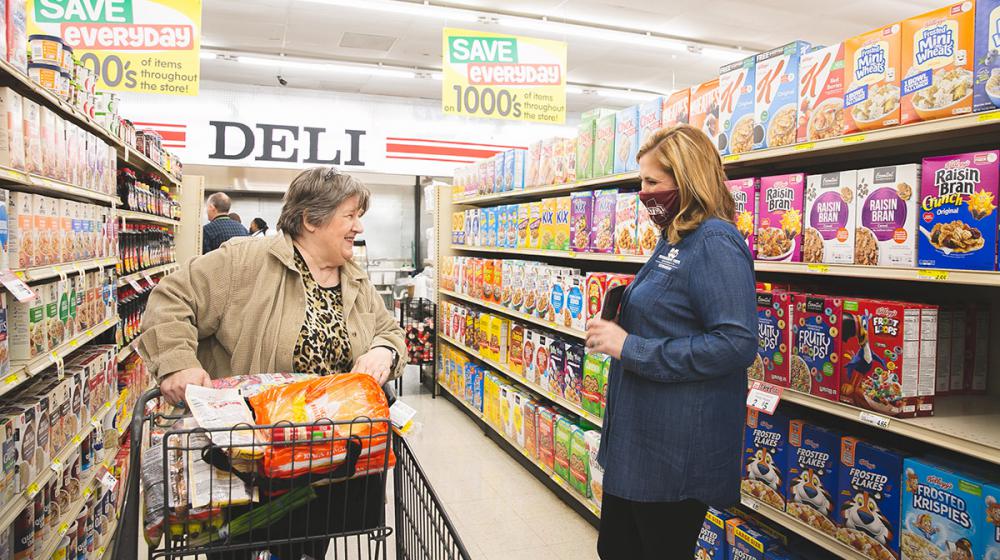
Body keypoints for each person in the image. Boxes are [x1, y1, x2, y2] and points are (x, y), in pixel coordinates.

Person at [139, 167, 406, 559]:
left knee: (307, 546)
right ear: (311, 219)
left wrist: (384, 350)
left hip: (325, 466)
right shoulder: (245, 261)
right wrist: (177, 362)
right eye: (349, 215)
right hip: (247, 467)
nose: (359, 226)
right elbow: (169, 299)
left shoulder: (356, 281)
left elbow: (389, 330)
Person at [585, 125, 757, 559]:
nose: (642, 193)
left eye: (652, 182)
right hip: (640, 443)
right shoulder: (676, 237)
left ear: (688, 179)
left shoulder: (716, 241)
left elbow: (736, 342)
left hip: (673, 454)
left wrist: (630, 346)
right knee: (617, 549)